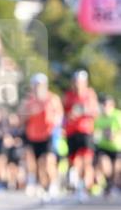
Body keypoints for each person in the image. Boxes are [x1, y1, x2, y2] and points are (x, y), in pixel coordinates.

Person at [19, 73, 63, 202]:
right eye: (36, 85)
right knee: (37, 165)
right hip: (32, 136)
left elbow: (59, 116)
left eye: (41, 85)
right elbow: (20, 119)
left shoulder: (52, 99)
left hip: (48, 135)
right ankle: (43, 187)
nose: (38, 88)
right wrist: (28, 113)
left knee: (48, 161)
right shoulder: (28, 101)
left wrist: (54, 122)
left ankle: (54, 184)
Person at [63, 70, 99, 200]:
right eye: (76, 81)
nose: (78, 84)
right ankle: (76, 184)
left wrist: (82, 110)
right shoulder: (68, 95)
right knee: (74, 161)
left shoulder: (90, 94)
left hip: (85, 131)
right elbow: (64, 113)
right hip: (71, 132)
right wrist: (70, 115)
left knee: (86, 160)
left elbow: (95, 111)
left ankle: (85, 186)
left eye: (80, 81)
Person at [93, 95, 121, 196]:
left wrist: (114, 135)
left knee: (116, 168)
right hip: (104, 147)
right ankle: (108, 183)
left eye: (107, 105)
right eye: (103, 105)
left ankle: (112, 185)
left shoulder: (118, 116)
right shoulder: (99, 118)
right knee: (105, 165)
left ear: (112, 105)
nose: (105, 107)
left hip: (117, 148)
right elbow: (95, 133)